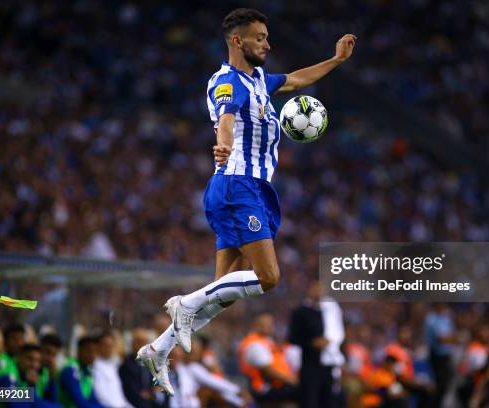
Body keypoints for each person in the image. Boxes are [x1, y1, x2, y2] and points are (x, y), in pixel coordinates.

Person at [136, 7, 356, 396]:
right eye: (260, 38)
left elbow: (296, 80)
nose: (268, 44)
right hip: (238, 185)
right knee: (268, 278)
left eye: (267, 37)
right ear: (238, 41)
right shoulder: (227, 82)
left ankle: (159, 348)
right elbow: (225, 118)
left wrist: (336, 60)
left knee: (222, 292)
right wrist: (222, 146)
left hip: (252, 189)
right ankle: (183, 304)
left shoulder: (259, 80)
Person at [288, 281, 334, 408]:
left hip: (327, 365)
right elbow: (293, 338)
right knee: (310, 401)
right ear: (309, 289)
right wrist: (311, 343)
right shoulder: (300, 312)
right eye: (317, 288)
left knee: (328, 400)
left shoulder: (329, 312)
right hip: (309, 364)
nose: (320, 291)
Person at [238, 313, 298, 405]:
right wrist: (293, 381)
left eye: (270, 323)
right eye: (264, 324)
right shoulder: (254, 343)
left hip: (278, 384)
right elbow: (267, 371)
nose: (268, 326)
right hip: (265, 387)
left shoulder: (267, 340)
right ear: (255, 325)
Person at [0, 344, 59, 408]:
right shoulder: (8, 375)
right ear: (19, 357)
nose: (34, 365)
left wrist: (52, 381)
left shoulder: (31, 378)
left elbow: (49, 401)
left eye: (38, 361)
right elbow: (14, 405)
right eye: (29, 359)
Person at [58, 336, 103, 408]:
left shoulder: (88, 372)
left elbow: (92, 400)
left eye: (96, 351)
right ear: (79, 351)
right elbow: (80, 403)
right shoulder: (70, 370)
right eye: (89, 350)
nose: (93, 355)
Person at [93, 332, 133, 408]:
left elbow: (119, 395)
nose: (109, 349)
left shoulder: (112, 367)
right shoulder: (94, 366)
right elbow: (100, 396)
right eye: (106, 346)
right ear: (98, 346)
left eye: (111, 346)